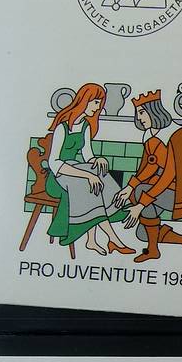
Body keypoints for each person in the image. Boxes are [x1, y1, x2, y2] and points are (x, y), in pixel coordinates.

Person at [113, 90, 182, 263]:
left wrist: (140, 205)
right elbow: (149, 166)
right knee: (143, 233)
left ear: (154, 110)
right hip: (164, 189)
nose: (139, 118)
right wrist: (129, 188)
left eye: (142, 112)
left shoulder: (177, 135)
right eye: (137, 113)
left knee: (141, 192)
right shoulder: (151, 136)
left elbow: (168, 175)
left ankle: (153, 250)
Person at [45, 83, 134, 255]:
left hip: (75, 169)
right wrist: (87, 175)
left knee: (99, 175)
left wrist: (97, 159)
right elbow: (54, 162)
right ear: (85, 100)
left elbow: (87, 155)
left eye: (100, 104)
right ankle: (113, 239)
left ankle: (92, 241)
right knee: (89, 182)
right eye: (96, 103)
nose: (98, 107)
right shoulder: (62, 127)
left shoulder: (85, 125)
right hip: (58, 176)